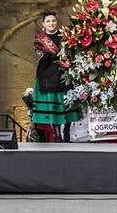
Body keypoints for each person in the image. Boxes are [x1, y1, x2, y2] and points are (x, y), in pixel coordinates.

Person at [32, 10, 79, 142]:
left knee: (67, 105)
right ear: (43, 24)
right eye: (48, 21)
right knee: (53, 107)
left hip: (64, 75)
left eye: (53, 21)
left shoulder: (65, 36)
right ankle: (57, 134)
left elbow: (72, 52)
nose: (51, 23)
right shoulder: (39, 39)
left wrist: (68, 61)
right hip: (47, 75)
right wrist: (59, 57)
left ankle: (67, 131)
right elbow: (43, 56)